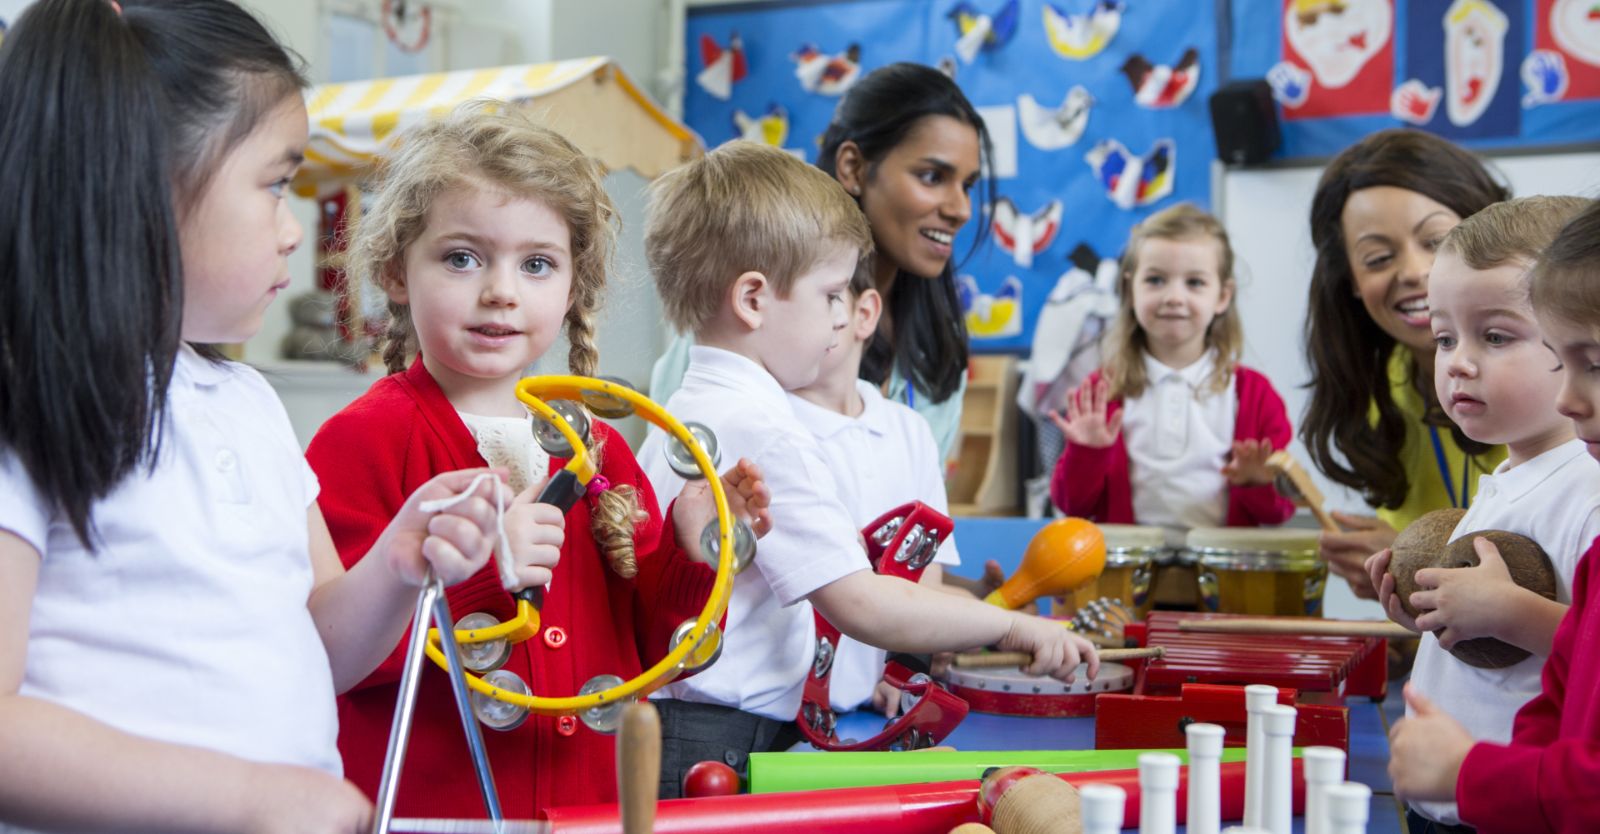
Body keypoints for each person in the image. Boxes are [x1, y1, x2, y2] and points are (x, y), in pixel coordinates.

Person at [0, 2, 505, 832]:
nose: (291, 231)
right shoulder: (31, 395)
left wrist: (394, 566)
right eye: (276, 184)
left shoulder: (246, 404)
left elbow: (323, 649)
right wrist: (249, 798)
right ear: (142, 186)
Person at [305, 106, 771, 819]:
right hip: (435, 813)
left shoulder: (605, 449)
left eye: (537, 264)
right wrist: (479, 579)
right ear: (397, 272)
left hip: (587, 808)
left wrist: (691, 547)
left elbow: (646, 649)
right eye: (462, 257)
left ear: (572, 284)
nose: (501, 290)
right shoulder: (361, 440)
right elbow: (332, 655)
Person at [636, 141, 1098, 798]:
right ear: (753, 300)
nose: (839, 319)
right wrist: (1013, 624)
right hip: (716, 739)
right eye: (829, 294)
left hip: (700, 726)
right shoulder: (765, 429)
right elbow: (862, 603)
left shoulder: (689, 407)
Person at [1365, 196, 1600, 833]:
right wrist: (1436, 612)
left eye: (1495, 336)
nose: (1458, 361)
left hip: (1513, 804)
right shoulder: (1506, 477)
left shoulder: (1588, 489)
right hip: (1444, 798)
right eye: (1445, 337)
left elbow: (1589, 651)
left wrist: (1508, 613)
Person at [650, 61, 991, 465]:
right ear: (853, 168)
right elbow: (683, 465)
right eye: (933, 176)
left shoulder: (937, 343)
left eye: (967, 185)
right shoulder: (743, 313)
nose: (961, 209)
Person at [1302, 129, 1511, 597]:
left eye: (1436, 241)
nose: (1414, 271)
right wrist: (1394, 586)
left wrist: (1415, 558)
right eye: (1377, 258)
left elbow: (1563, 573)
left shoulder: (1552, 379)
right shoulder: (1382, 390)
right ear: (1351, 282)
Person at [1049, 203, 1295, 530]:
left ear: (1222, 296)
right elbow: (1073, 506)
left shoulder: (1255, 395)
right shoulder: (1101, 392)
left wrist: (1256, 482)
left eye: (1194, 283)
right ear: (1129, 289)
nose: (1173, 297)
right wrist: (1087, 454)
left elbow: (1280, 512)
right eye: (1155, 280)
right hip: (1128, 578)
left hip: (1222, 578)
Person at [788, 266, 965, 717]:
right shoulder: (775, 423)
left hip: (873, 706)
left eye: (828, 299)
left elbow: (925, 577)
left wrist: (901, 671)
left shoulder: (910, 431)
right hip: (785, 705)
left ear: (864, 313)